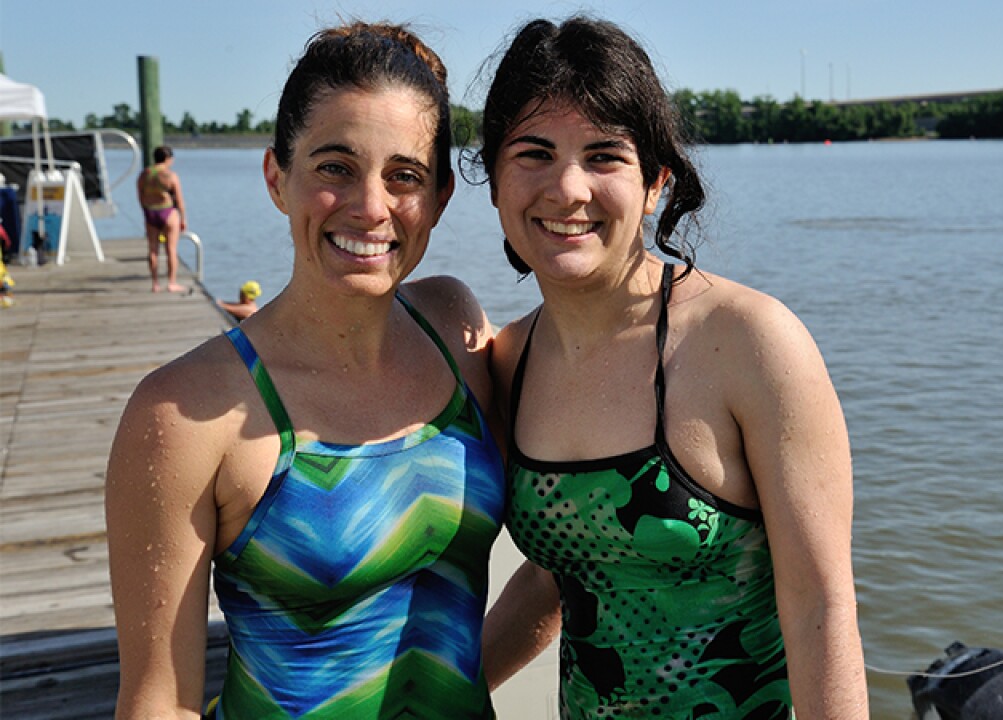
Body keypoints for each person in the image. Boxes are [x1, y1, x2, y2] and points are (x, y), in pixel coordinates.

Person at [106, 21, 505, 719]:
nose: (371, 207)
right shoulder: (182, 413)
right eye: (335, 167)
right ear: (276, 178)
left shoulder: (453, 324)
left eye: (403, 176)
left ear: (439, 197)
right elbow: (157, 703)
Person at [476, 16, 869, 719]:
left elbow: (820, 606)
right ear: (495, 180)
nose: (568, 189)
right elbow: (552, 579)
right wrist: (434, 698)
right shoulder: (510, 361)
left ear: (657, 181)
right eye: (534, 153)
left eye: (604, 157)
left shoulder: (748, 343)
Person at [137, 145, 188, 293]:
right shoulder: (170, 176)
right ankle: (172, 283)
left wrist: (146, 212)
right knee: (171, 250)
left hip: (150, 213)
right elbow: (179, 200)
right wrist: (183, 218)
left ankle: (155, 283)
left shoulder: (144, 175)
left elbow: (141, 196)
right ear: (168, 159)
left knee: (153, 250)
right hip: (167, 213)